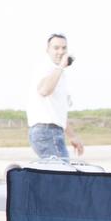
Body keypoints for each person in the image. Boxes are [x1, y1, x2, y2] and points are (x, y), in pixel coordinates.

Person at [27, 33, 84, 161]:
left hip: (54, 130)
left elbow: (59, 113)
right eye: (56, 48)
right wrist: (60, 67)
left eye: (64, 48)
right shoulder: (46, 68)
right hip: (46, 130)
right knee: (62, 173)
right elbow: (44, 90)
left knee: (56, 174)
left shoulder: (58, 73)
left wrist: (72, 136)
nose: (61, 52)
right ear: (48, 50)